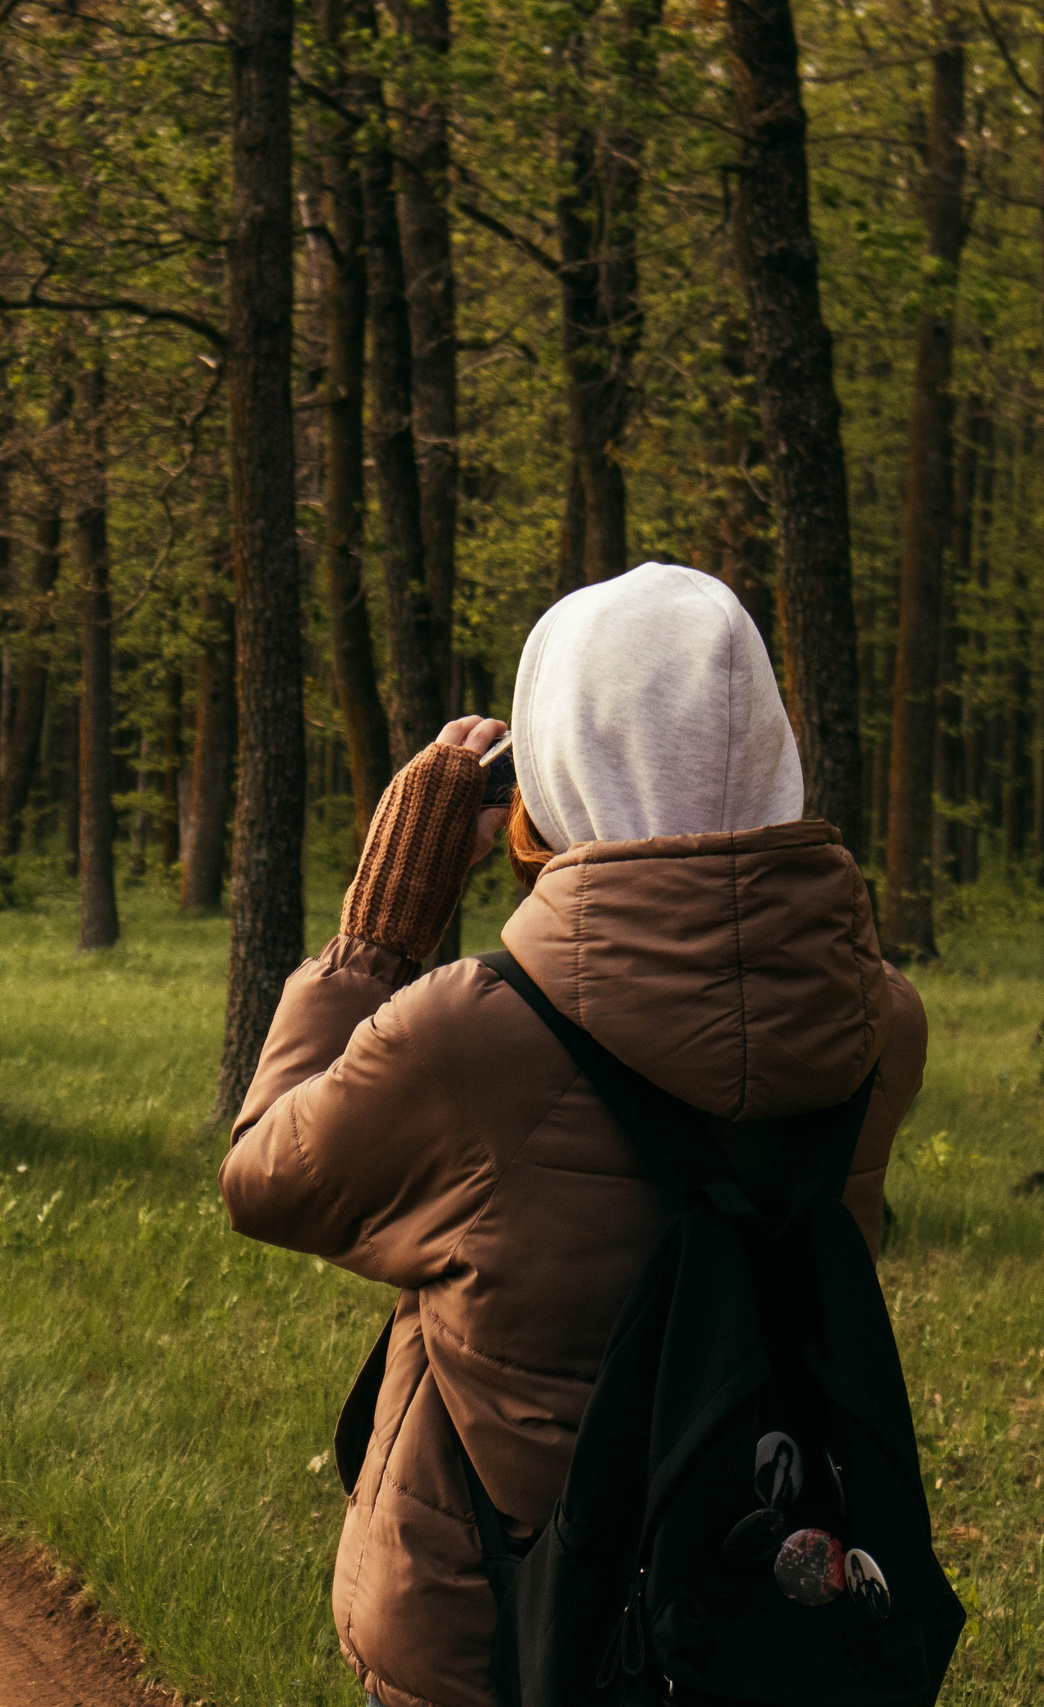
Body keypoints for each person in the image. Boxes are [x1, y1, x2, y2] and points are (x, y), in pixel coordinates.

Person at [220, 562, 930, 1707]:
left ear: (551, 771)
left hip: (502, 1631)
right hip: (752, 1623)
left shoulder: (474, 1035)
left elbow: (266, 1179)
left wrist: (381, 927)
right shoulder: (879, 1024)